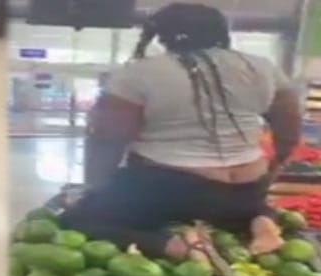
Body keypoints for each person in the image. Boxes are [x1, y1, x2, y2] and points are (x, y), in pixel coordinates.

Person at [60, 3, 301, 261]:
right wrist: (269, 172)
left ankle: (173, 246)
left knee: (79, 219)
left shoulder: (141, 72)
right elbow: (289, 128)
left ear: (162, 36)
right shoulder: (262, 67)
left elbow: (108, 139)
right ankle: (262, 224)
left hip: (170, 189)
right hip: (246, 188)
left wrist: (96, 188)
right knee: (243, 208)